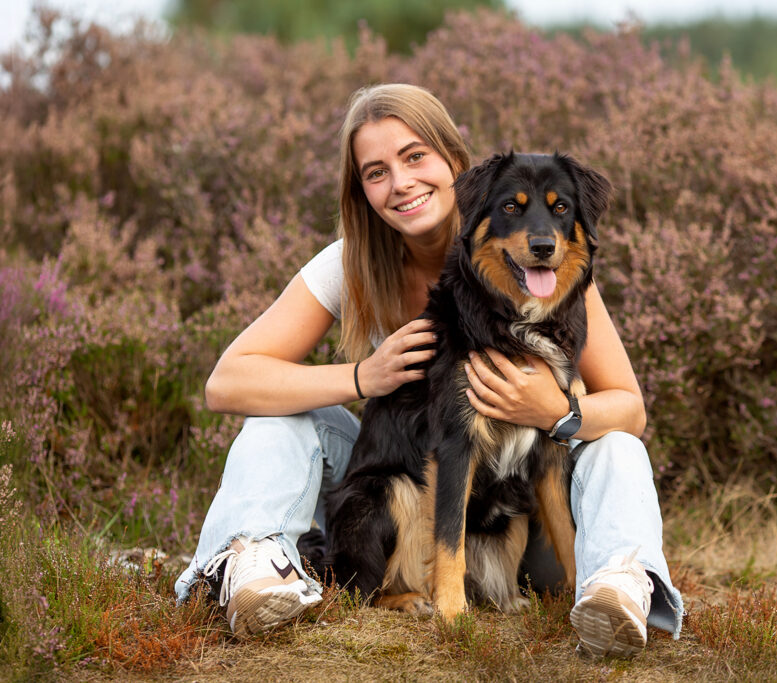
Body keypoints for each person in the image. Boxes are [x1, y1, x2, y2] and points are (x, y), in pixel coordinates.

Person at [174, 83, 684, 657]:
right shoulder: (351, 263)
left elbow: (630, 409)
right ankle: (253, 568)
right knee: (278, 420)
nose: (401, 183)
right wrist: (364, 377)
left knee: (618, 444)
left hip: (513, 501)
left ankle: (619, 584)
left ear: (455, 162)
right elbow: (227, 382)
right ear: (361, 190)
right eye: (376, 172)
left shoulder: (545, 268)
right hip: (400, 480)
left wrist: (556, 410)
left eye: (415, 156)